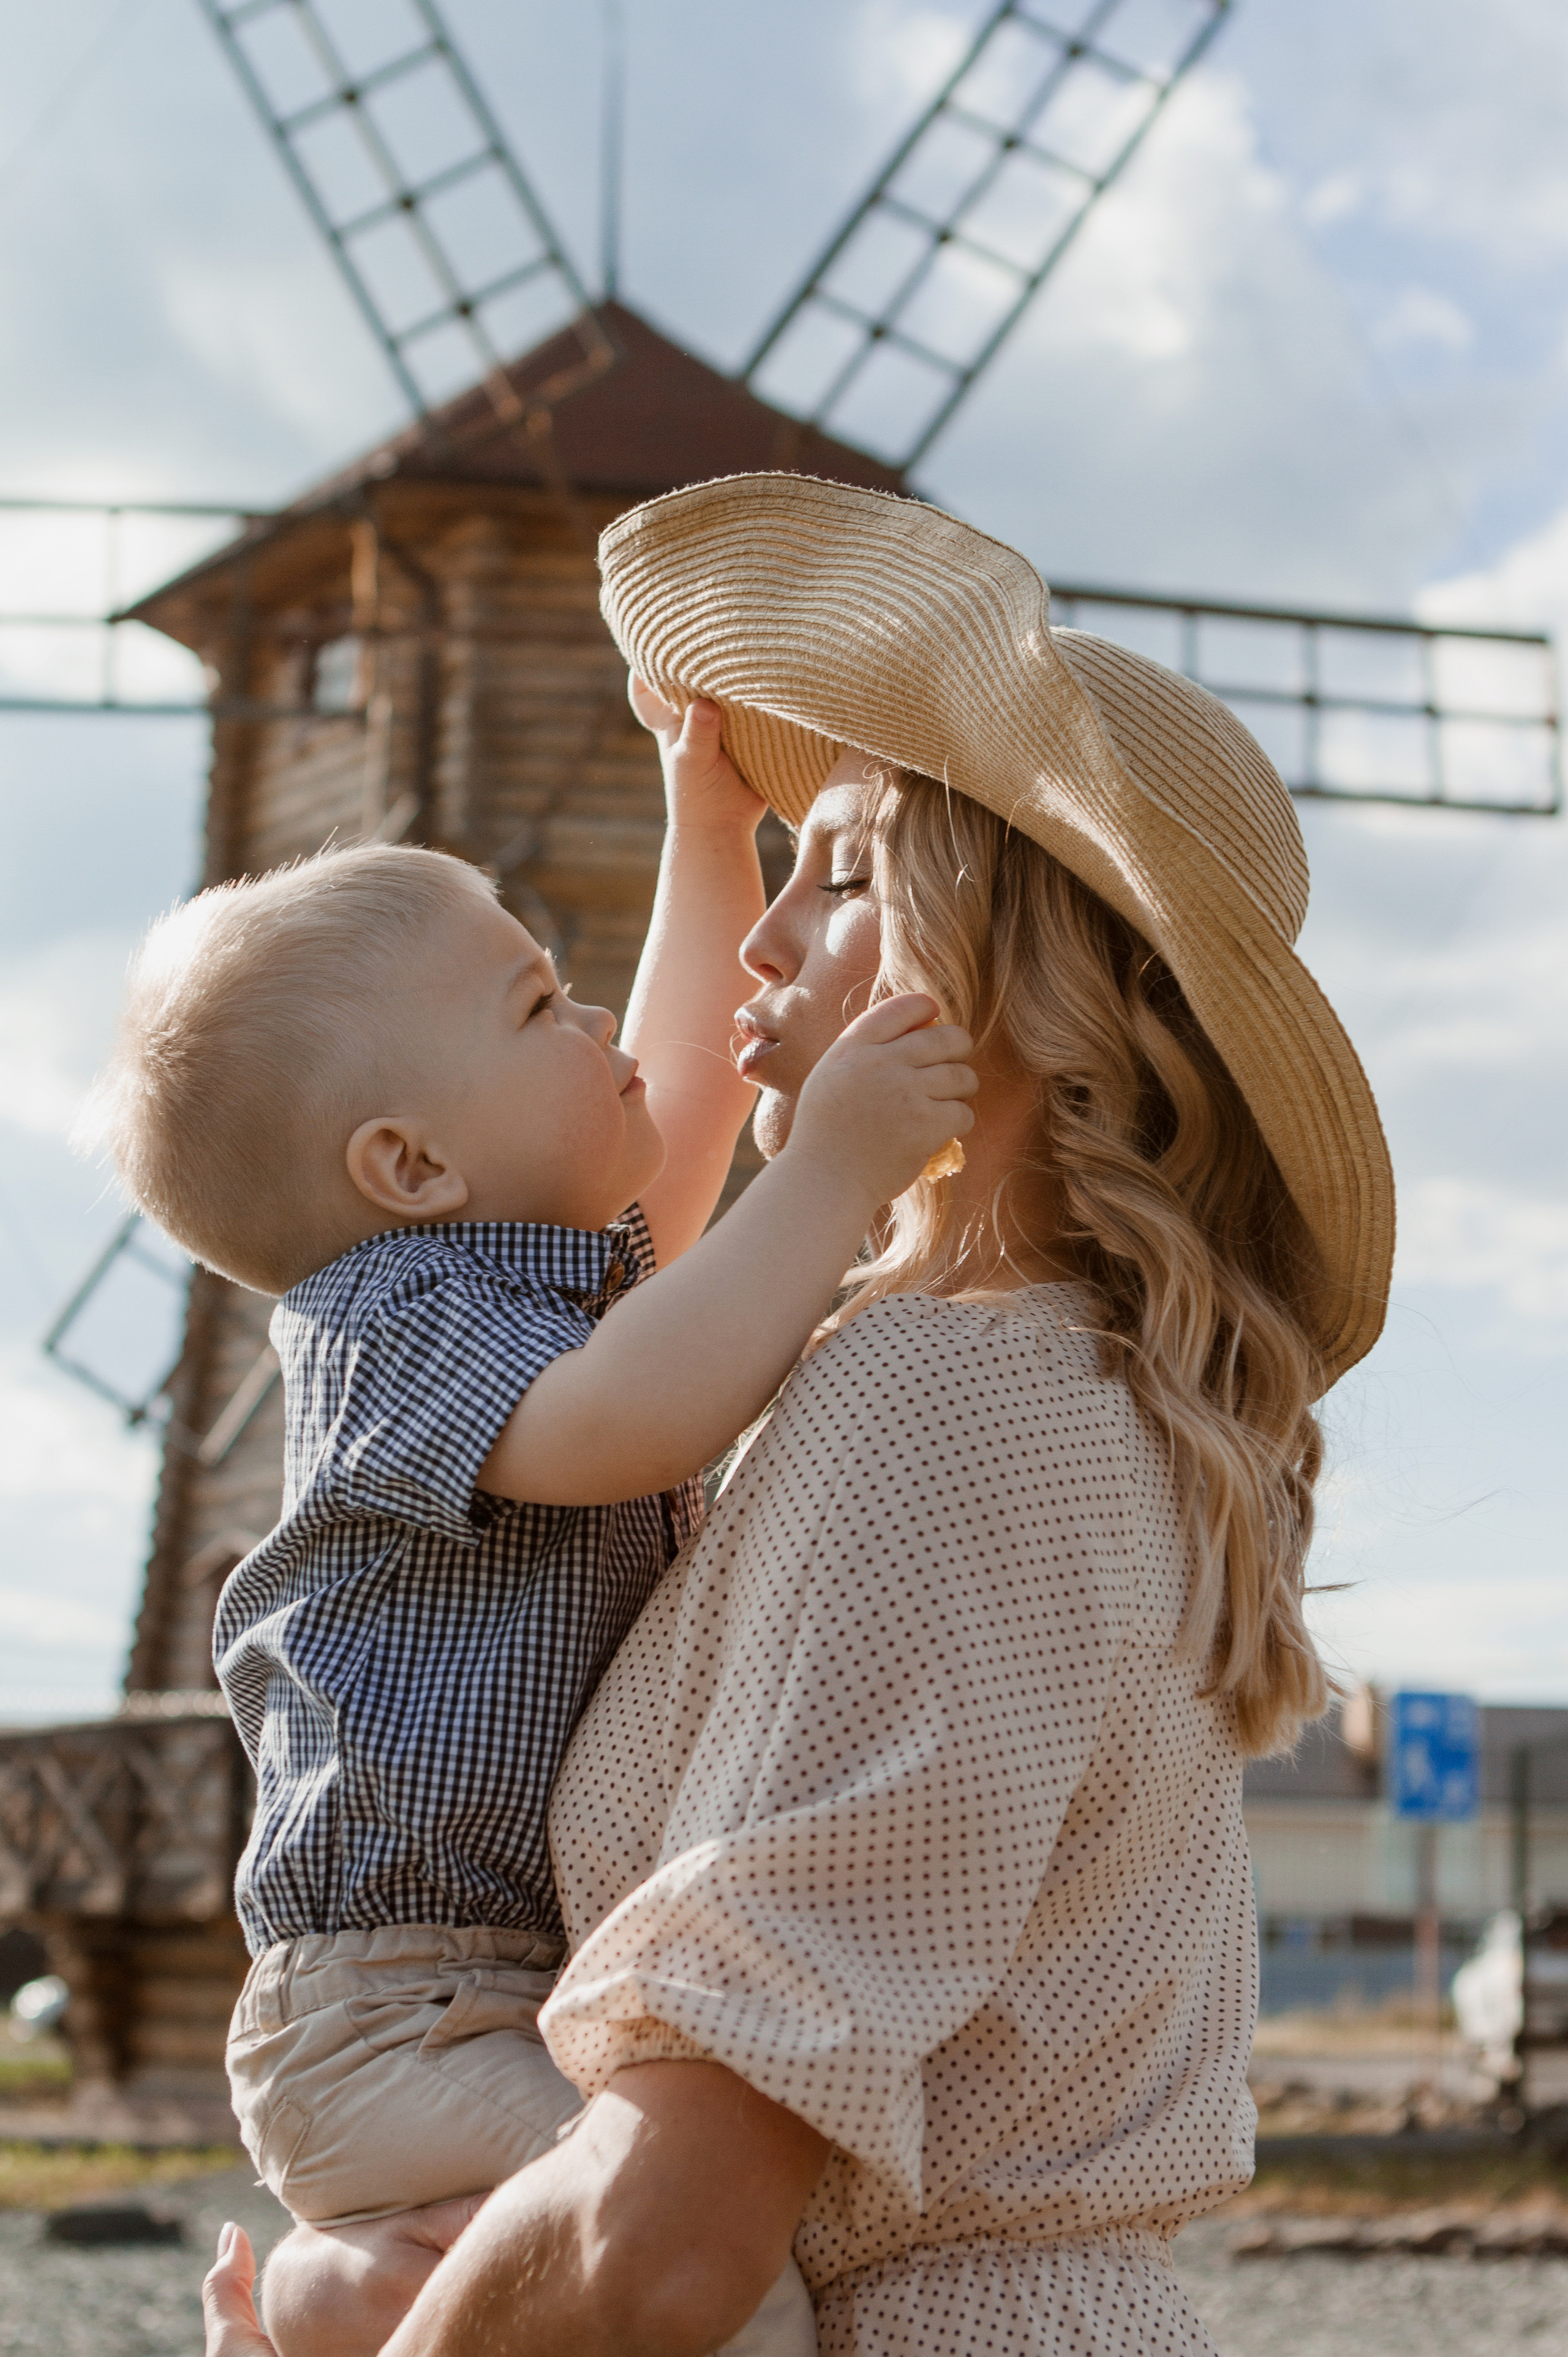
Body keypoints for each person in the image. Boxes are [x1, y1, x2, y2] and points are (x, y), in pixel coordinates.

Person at [204, 470, 1394, 2357]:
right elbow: (664, 1190)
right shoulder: (1038, 1386)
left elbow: (656, 2248)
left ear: (999, 957)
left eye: (836, 873)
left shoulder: (943, 1398)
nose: (760, 943)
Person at [88, 818, 976, 2357]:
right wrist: (836, 1163)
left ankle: (338, 2301)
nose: (593, 1027)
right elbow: (635, 1418)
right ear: (411, 1164)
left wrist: (703, 821)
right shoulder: (389, 1321)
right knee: (704, 2271)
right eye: (535, 1006)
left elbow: (681, 1090)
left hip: (486, 1992)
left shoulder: (536, 1271)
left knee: (588, 2255)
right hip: (393, 2010)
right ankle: (344, 2292)